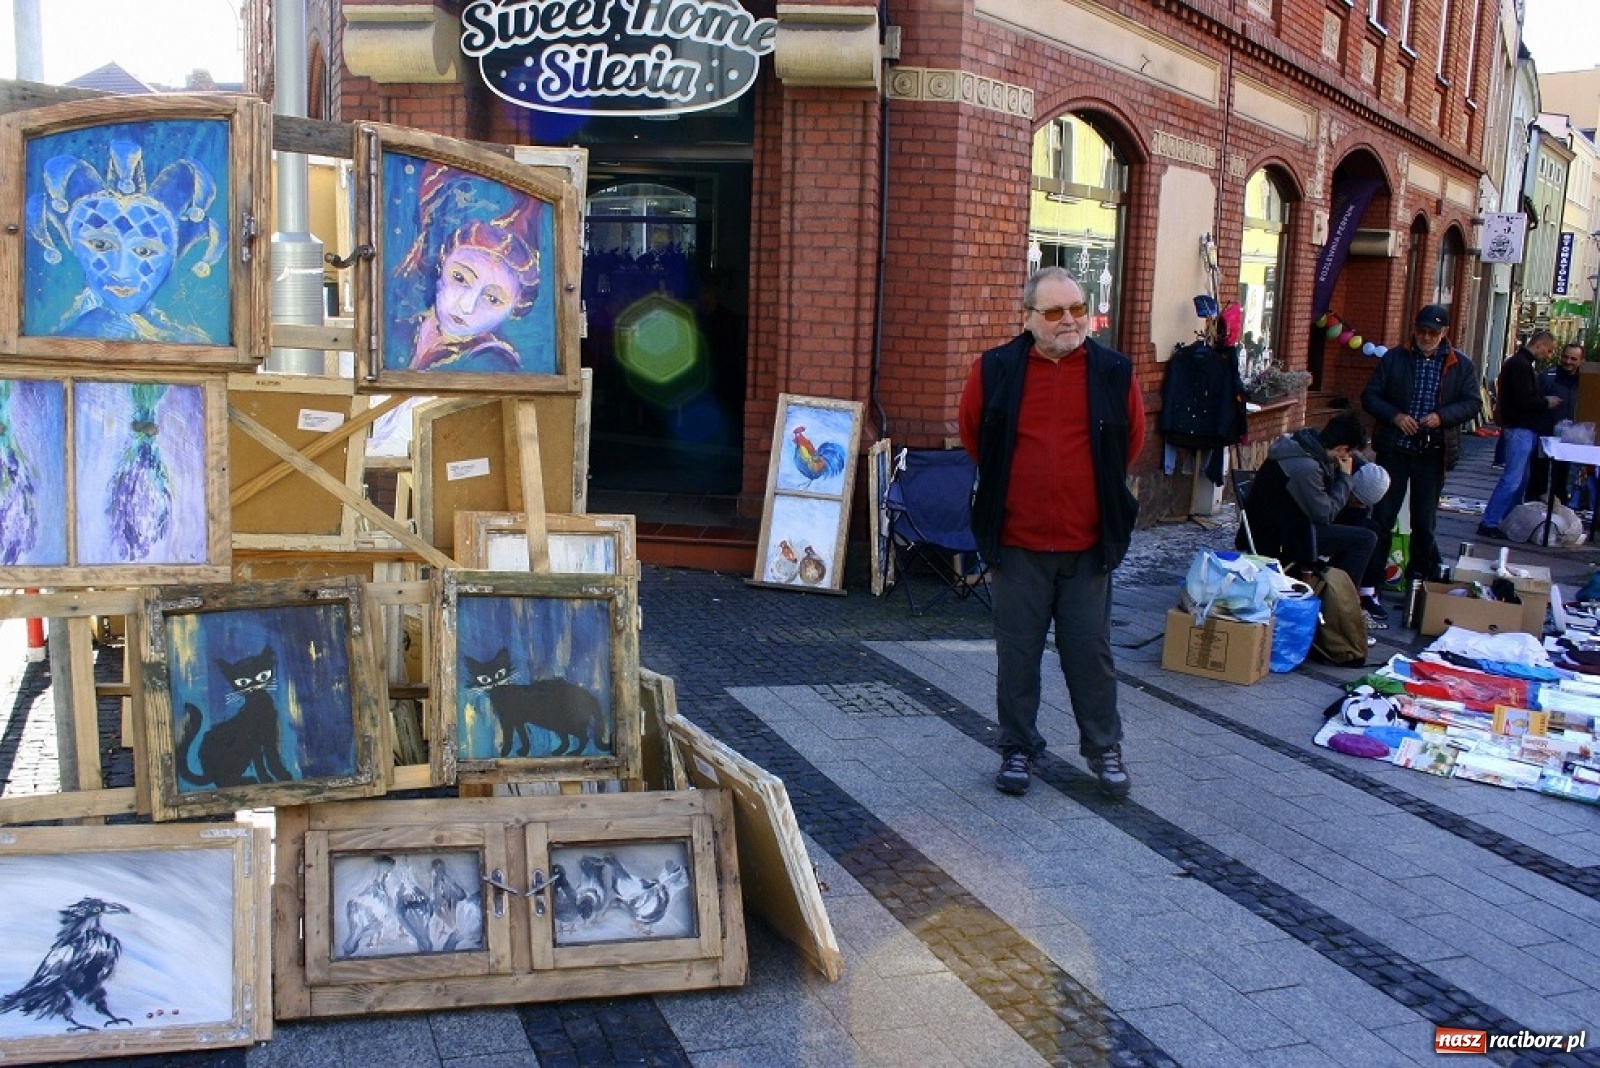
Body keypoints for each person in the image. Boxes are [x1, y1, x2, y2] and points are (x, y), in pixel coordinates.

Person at [959, 267, 1144, 799]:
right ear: (1029, 318)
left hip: (1088, 545)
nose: (1070, 321)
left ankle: (1103, 746)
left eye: (1078, 309)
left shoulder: (1113, 372)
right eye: (1056, 312)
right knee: (1017, 654)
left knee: (1090, 653)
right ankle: (1018, 747)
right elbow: (978, 439)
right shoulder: (995, 370)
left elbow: (1128, 446)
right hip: (1018, 544)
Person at [1362, 304, 1481, 590]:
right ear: (1414, 329)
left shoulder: (1460, 364)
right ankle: (1372, 584)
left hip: (1433, 452)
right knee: (1383, 517)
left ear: (1444, 333)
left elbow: (1473, 403)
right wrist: (1396, 416)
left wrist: (1441, 417)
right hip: (1396, 448)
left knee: (1424, 521)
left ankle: (1418, 581)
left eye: (1433, 332)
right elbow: (1370, 396)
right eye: (1422, 331)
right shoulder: (1395, 358)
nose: (1426, 337)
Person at [1236, 413, 1381, 619]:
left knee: (1366, 527)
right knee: (1365, 539)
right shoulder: (1305, 466)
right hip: (1280, 537)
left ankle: (1332, 595)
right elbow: (1325, 514)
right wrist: (1345, 478)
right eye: (1350, 454)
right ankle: (1339, 608)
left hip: (1291, 524)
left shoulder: (1303, 446)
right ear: (1342, 450)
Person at [1478, 329, 1556, 539]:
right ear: (1538, 345)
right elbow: (1523, 401)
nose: (1548, 356)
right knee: (1512, 479)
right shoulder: (1520, 366)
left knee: (1520, 479)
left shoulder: (1519, 364)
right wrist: (1545, 402)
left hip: (1521, 428)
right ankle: (1491, 521)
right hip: (1520, 428)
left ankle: (1505, 519)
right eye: (1548, 351)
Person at [1526, 341, 1583, 505]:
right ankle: (1533, 509)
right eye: (1565, 357)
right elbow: (1534, 401)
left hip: (1571, 437)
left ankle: (1560, 513)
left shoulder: (1585, 382)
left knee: (1563, 478)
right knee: (1538, 475)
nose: (1568, 362)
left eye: (1573, 358)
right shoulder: (1547, 377)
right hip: (1545, 433)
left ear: (1581, 361)